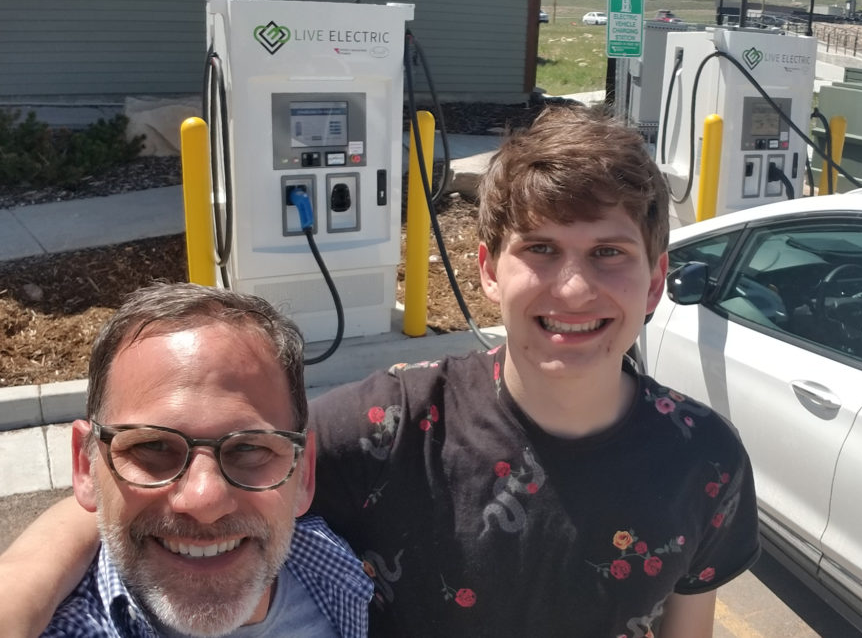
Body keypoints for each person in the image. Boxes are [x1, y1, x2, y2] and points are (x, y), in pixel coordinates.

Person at [0, 106, 758, 638]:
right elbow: (171, 472)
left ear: (655, 279)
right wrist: (15, 602)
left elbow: (687, 625)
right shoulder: (391, 423)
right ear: (489, 270)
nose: (572, 288)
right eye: (542, 250)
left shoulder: (707, 460)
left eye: (609, 253)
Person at [40, 283, 372, 637]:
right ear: (85, 465)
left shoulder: (335, 568)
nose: (205, 500)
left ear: (303, 474)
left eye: (249, 449)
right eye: (152, 446)